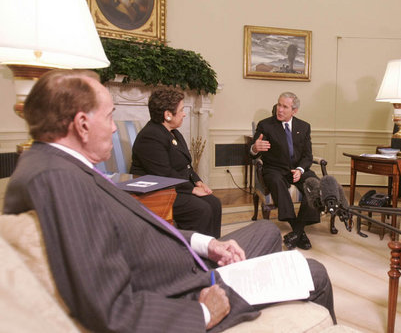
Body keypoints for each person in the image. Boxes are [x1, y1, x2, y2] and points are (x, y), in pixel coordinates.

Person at [3, 70, 336, 332]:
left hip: (188, 258)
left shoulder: (64, 166)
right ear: (82, 124)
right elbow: (110, 308)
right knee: (314, 272)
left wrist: (208, 245)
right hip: (185, 286)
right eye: (109, 117)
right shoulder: (57, 180)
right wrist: (203, 312)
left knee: (264, 230)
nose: (114, 128)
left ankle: (252, 275)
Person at [130, 88, 222, 238]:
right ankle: (194, 253)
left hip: (176, 186)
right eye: (181, 110)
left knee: (214, 203)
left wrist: (198, 182)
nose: (184, 113)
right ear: (167, 115)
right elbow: (163, 174)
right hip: (157, 192)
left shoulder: (173, 132)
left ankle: (212, 248)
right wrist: (192, 190)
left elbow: (186, 165)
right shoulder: (150, 136)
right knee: (201, 209)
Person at [250, 92, 320, 250]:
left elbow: (308, 156)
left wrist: (301, 170)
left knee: (315, 184)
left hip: (297, 169)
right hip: (274, 169)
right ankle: (298, 229)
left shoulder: (304, 127)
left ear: (294, 111)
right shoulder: (265, 125)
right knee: (275, 181)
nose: (279, 110)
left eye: (285, 107)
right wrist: (255, 148)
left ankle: (297, 231)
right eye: (279, 105)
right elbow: (252, 151)